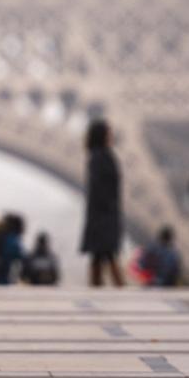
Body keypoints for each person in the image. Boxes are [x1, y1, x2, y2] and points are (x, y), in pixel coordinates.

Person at [80, 120, 124, 287]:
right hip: (104, 215)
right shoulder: (103, 157)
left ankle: (96, 288)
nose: (111, 136)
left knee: (100, 256)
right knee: (107, 255)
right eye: (109, 132)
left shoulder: (97, 156)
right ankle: (118, 288)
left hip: (100, 214)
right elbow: (103, 187)